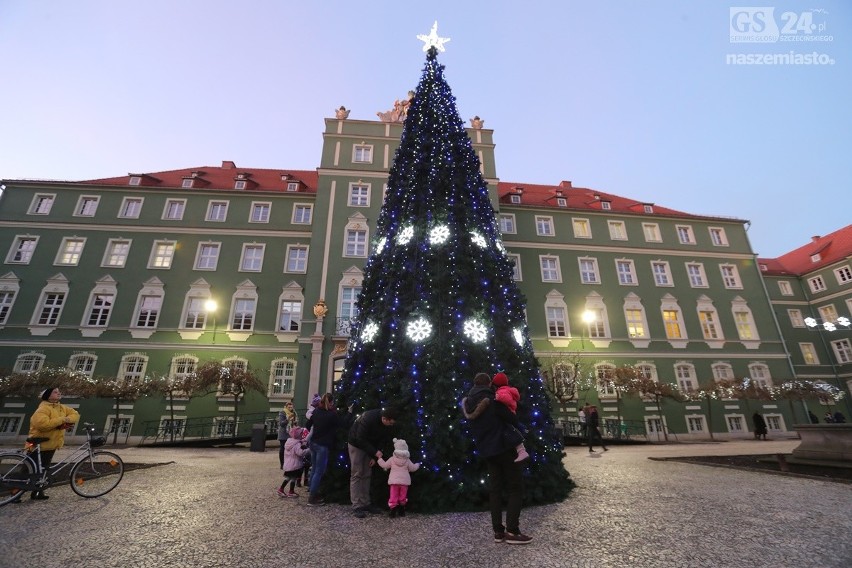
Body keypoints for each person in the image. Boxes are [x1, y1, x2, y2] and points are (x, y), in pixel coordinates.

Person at [462, 372, 532, 545]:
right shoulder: (493, 401)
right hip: (505, 448)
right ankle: (513, 531)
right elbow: (512, 419)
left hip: (487, 452)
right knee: (515, 488)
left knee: (495, 490)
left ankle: (498, 532)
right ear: (489, 384)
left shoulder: (468, 404)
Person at [26, 387, 79, 500]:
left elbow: (75, 414)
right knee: (29, 469)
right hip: (38, 444)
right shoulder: (43, 408)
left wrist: (66, 420)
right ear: (48, 395)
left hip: (51, 443)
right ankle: (15, 493)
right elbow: (42, 425)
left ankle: (38, 492)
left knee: (44, 468)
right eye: (55, 392)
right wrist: (62, 420)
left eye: (59, 391)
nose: (59, 393)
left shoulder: (61, 407)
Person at [347, 406, 398, 518]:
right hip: (356, 445)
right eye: (390, 423)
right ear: (384, 419)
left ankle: (365, 503)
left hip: (370, 446)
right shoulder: (368, 418)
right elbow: (359, 438)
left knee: (367, 474)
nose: (391, 426)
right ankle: (356, 505)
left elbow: (382, 439)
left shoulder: (386, 425)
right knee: (357, 473)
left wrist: (374, 457)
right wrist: (374, 452)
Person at [304, 393, 351, 506]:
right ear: (330, 403)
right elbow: (343, 424)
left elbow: (307, 424)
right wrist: (349, 412)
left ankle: (311, 490)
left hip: (314, 443)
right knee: (319, 471)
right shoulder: (331, 415)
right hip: (323, 445)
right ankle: (312, 498)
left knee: (314, 468)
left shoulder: (316, 411)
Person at [377, 437, 420, 518]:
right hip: (404, 482)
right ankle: (402, 510)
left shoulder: (392, 459)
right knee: (402, 496)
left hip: (394, 482)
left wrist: (379, 459)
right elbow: (413, 468)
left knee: (393, 496)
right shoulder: (407, 460)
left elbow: (384, 465)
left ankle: (393, 511)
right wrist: (418, 464)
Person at [491, 372, 529, 462]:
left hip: (508, 412)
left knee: (511, 431)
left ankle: (522, 451)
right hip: (510, 412)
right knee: (511, 430)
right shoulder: (507, 389)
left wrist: (497, 396)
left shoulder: (503, 391)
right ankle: (521, 449)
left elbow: (507, 399)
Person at [278, 426, 308, 498]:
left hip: (289, 464)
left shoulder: (289, 442)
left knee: (291, 478)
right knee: (291, 478)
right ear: (298, 435)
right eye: (301, 434)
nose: (302, 435)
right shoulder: (297, 444)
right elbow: (300, 453)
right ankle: (282, 489)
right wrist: (308, 450)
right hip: (295, 464)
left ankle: (290, 491)